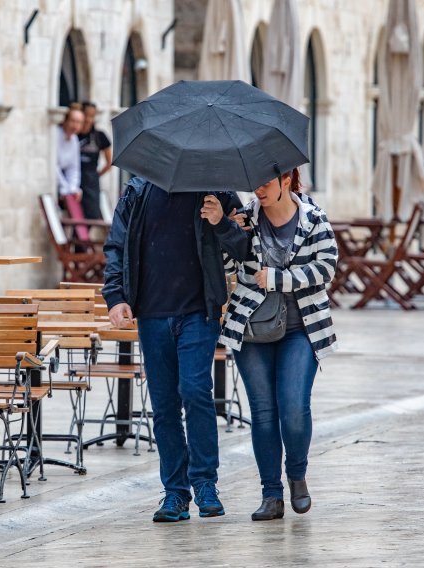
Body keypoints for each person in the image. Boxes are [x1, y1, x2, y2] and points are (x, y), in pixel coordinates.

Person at [200, 168, 338, 521]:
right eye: (255, 183)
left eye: (266, 183)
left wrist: (279, 278)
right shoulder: (246, 218)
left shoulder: (314, 219)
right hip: (252, 327)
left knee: (293, 407)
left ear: (287, 181)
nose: (258, 190)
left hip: (302, 328)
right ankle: (271, 494)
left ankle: (297, 474)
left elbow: (326, 269)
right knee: (262, 414)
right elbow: (229, 265)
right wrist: (225, 228)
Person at [102, 177, 242, 523]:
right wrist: (116, 297)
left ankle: (206, 484)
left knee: (196, 392)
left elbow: (244, 248)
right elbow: (116, 246)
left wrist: (220, 221)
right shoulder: (137, 192)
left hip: (199, 312)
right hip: (152, 315)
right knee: (164, 405)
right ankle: (175, 493)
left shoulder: (216, 190)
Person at [78, 101, 112, 220]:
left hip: (90, 181)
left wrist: (96, 176)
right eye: (86, 115)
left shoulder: (99, 136)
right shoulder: (74, 135)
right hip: (74, 179)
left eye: (92, 116)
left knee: (91, 215)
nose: (88, 119)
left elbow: (109, 162)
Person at [57, 104, 85, 206]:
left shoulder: (74, 140)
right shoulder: (55, 135)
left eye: (79, 123)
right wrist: (65, 187)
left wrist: (73, 188)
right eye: (73, 121)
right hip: (56, 184)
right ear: (66, 120)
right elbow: (53, 166)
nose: (75, 125)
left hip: (65, 188)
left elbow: (74, 167)